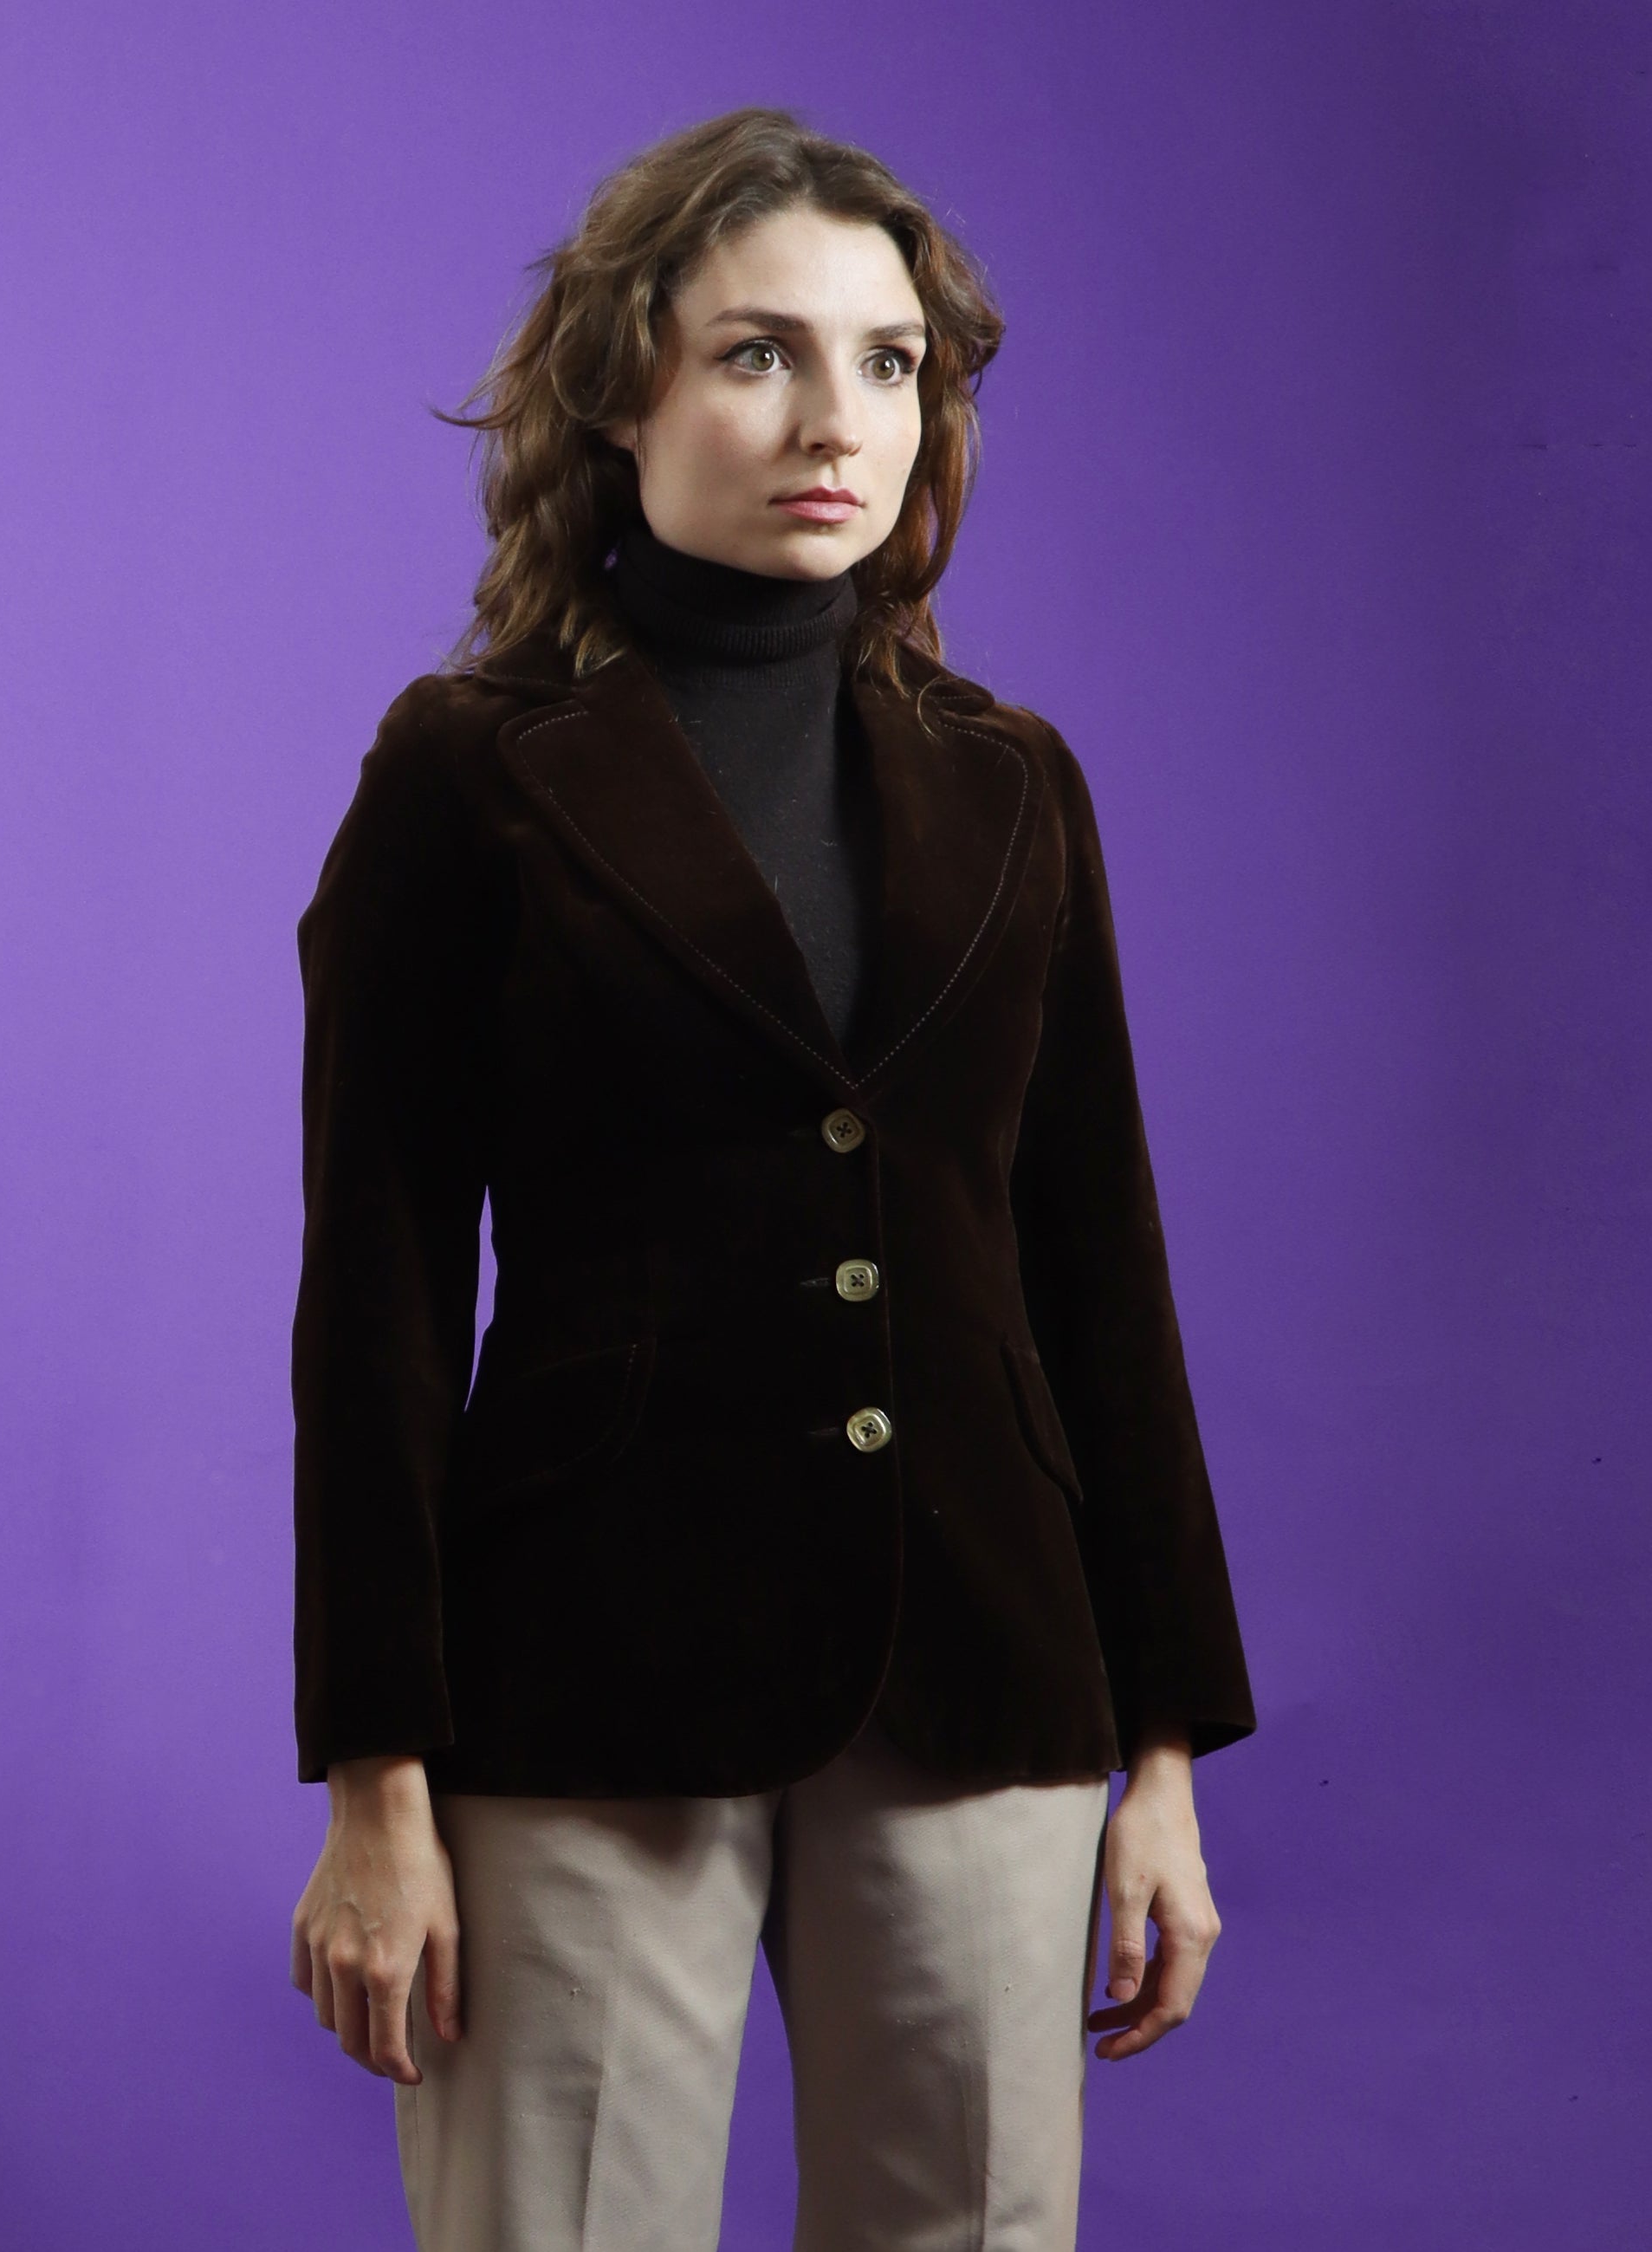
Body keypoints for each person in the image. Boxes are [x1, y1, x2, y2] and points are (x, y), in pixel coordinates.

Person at [288, 105, 1256, 2252]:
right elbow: (371, 1297)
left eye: (888, 361)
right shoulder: (466, 774)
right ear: (615, 390)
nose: (837, 419)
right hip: (581, 1676)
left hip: (986, 1667)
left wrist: (1165, 1751)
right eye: (758, 353)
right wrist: (374, 1780)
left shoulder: (1013, 785)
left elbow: (1096, 1265)